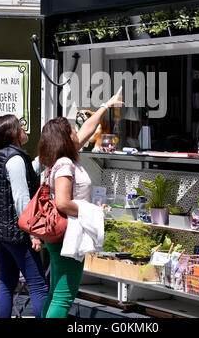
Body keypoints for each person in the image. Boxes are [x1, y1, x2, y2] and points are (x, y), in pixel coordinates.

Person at [38, 87, 124, 318]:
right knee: (64, 296)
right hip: (69, 236)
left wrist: (108, 104)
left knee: (56, 291)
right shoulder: (65, 163)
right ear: (66, 138)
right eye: (72, 130)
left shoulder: (61, 156)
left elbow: (88, 127)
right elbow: (64, 203)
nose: (77, 131)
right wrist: (92, 211)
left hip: (61, 236)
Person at [0, 114, 49, 318]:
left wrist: (48, 158)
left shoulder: (1, 156)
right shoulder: (14, 159)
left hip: (1, 232)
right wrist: (33, 234)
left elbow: (28, 172)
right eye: (21, 127)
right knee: (38, 284)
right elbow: (22, 199)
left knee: (7, 282)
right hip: (17, 233)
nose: (25, 130)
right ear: (13, 133)